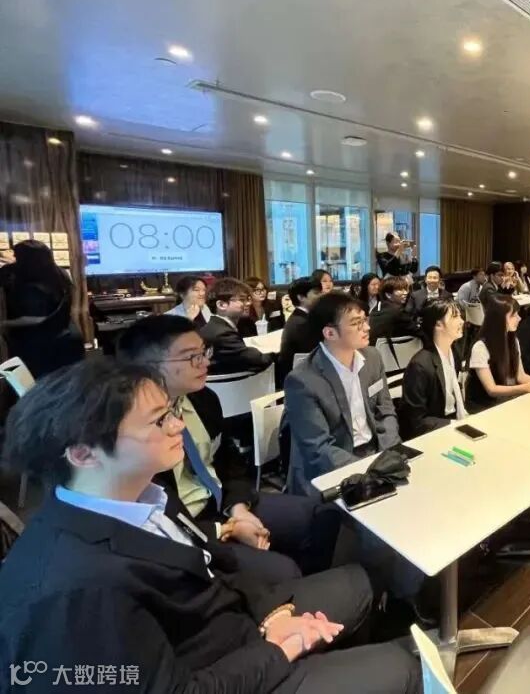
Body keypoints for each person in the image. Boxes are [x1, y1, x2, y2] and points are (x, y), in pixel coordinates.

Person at [0, 358, 422, 693]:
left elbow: (213, 566)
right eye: (159, 420)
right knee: (408, 666)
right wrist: (280, 648)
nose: (178, 425)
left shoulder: (143, 494)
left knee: (363, 580)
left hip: (239, 627)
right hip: (228, 669)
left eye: (171, 412)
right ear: (83, 454)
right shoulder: (74, 590)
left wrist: (271, 615)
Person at [117, 316, 340, 581]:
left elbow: (229, 462)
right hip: (187, 525)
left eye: (204, 352)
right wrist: (225, 529)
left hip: (222, 501)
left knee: (324, 516)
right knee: (281, 570)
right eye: (191, 357)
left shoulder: (204, 399)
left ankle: (310, 591)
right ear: (150, 366)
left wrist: (238, 508)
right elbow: (154, 517)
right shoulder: (132, 429)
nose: (205, 363)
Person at [284, 293, 402, 494]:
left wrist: (389, 452)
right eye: (356, 323)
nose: (367, 327)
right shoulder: (303, 380)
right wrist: (367, 470)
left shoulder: (372, 357)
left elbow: (385, 411)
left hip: (375, 453)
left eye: (365, 319)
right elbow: (318, 449)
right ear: (330, 333)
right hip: (331, 467)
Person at [0, 239, 84, 379]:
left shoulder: (32, 288)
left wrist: (5, 323)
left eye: (16, 256)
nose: (14, 259)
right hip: (69, 336)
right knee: (69, 384)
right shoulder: (61, 273)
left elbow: (37, 319)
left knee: (47, 385)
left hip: (44, 345)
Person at [465, 294, 530, 413]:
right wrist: (526, 388)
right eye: (513, 315)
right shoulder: (480, 347)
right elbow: (491, 389)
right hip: (483, 406)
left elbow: (520, 376)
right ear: (499, 319)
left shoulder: (513, 340)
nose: (519, 318)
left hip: (505, 400)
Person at [399, 299, 467, 439]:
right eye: (455, 317)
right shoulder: (420, 365)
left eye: (460, 316)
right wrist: (452, 424)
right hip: (432, 432)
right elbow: (416, 421)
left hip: (452, 419)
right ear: (438, 324)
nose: (462, 321)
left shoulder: (454, 352)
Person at [200, 277, 275, 376]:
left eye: (247, 299)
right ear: (221, 305)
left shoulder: (214, 327)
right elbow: (260, 360)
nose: (248, 303)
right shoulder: (223, 334)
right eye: (242, 300)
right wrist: (275, 350)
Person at [278, 277, 323, 389]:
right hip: (302, 383)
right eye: (316, 293)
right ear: (301, 297)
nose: (321, 296)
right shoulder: (302, 323)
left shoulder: (301, 318)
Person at [369, 276, 420, 342]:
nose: (405, 293)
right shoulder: (397, 311)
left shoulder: (375, 309)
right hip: (395, 347)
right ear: (388, 295)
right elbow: (417, 331)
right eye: (400, 290)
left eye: (405, 289)